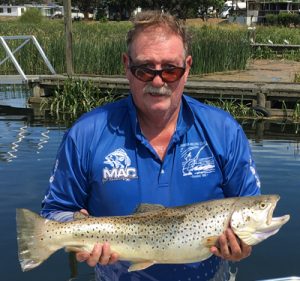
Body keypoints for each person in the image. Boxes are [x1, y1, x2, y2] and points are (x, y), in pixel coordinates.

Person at [41, 10, 261, 281]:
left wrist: (241, 248)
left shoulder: (224, 131)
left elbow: (248, 212)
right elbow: (54, 213)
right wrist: (77, 231)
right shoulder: (85, 134)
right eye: (145, 70)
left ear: (188, 67)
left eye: (171, 70)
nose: (158, 81)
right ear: (126, 65)